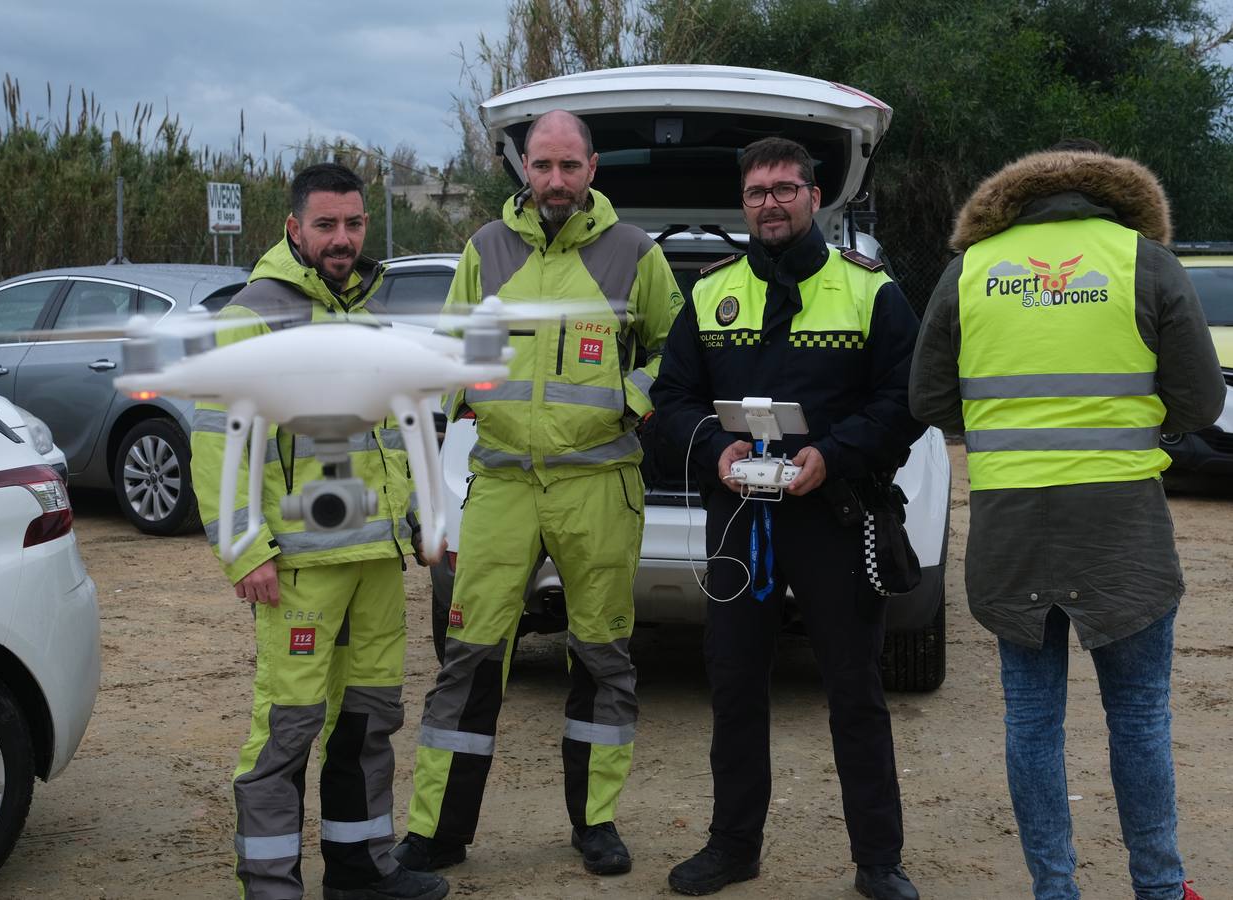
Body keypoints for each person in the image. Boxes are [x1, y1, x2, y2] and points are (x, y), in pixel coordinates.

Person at [909, 141, 1222, 900]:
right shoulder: (1143, 260)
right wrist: (1145, 425)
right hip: (1123, 526)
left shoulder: (972, 269)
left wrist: (1002, 424)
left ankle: (1056, 889)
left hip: (1012, 523)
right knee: (1141, 713)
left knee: (1031, 719)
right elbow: (1202, 403)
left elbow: (928, 400)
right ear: (1119, 199)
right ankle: (1159, 885)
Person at [392, 110, 682, 878]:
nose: (555, 181)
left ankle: (596, 823)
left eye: (569, 167)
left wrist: (634, 399)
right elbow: (450, 355)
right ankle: (437, 832)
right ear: (524, 167)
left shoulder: (634, 254)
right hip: (502, 483)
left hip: (599, 485)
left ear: (593, 170)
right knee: (470, 657)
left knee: (603, 658)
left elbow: (675, 352)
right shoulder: (485, 249)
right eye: (542, 166)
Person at [651, 137, 925, 899]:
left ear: (814, 196)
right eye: (756, 192)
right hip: (740, 518)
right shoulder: (709, 294)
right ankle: (733, 847)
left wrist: (832, 457)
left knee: (854, 691)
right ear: (742, 204)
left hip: (834, 513)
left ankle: (878, 861)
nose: (769, 202)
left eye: (784, 188)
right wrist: (716, 450)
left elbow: (907, 401)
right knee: (734, 685)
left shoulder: (870, 290)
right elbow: (669, 400)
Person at [190, 162, 448, 900]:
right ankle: (271, 884)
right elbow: (222, 442)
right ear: (293, 228)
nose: (343, 239)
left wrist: (415, 527)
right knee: (287, 729)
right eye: (327, 225)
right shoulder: (251, 316)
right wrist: (245, 551)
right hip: (299, 570)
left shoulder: (361, 315)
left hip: (373, 563)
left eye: (354, 224)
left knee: (369, 723)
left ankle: (361, 870)